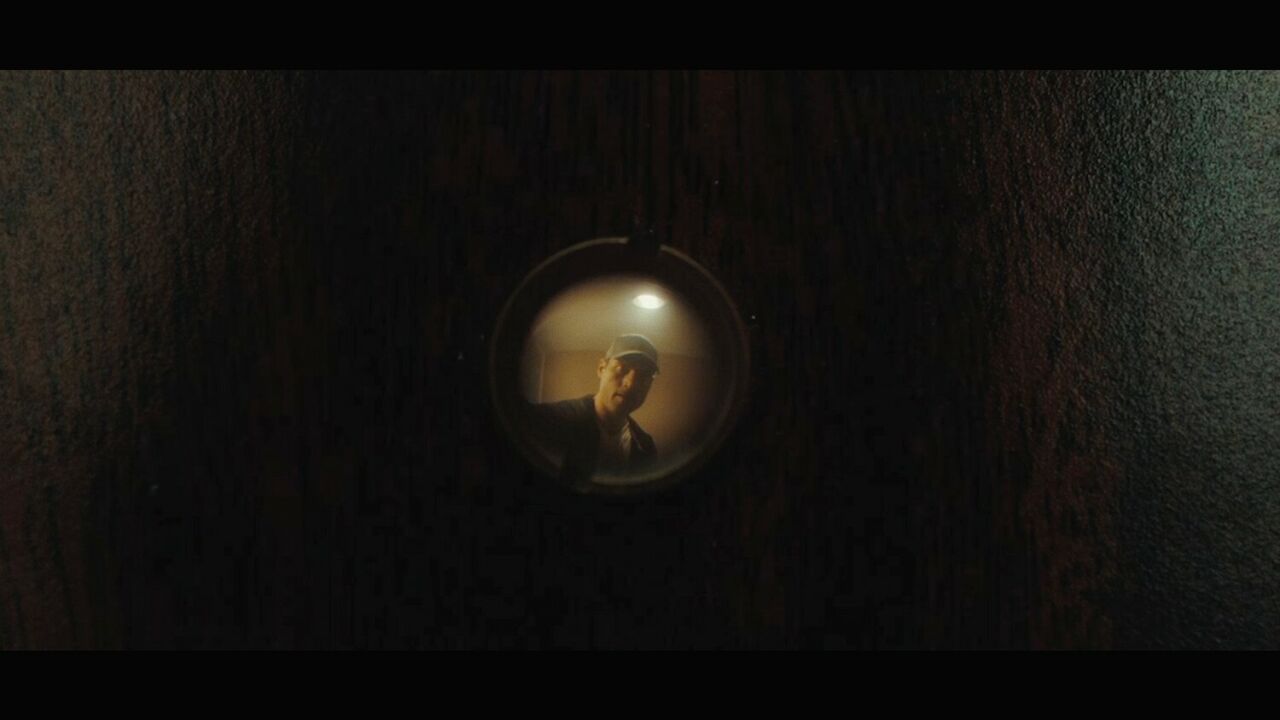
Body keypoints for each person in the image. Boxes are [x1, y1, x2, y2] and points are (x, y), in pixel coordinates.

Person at [523, 334, 659, 483]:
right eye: (622, 369)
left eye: (644, 377)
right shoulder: (550, 420)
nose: (631, 384)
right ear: (601, 369)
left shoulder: (646, 446)